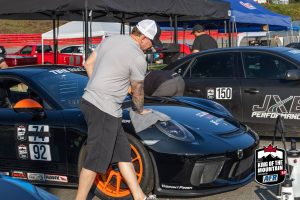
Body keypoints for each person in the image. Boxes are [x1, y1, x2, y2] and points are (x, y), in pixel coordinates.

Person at [76, 19, 161, 200]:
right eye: (151, 42)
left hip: (93, 102)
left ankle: (139, 196)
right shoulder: (137, 57)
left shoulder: (112, 39)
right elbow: (137, 92)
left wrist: (98, 87)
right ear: (144, 38)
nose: (151, 47)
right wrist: (140, 111)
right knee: (95, 159)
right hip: (103, 109)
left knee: (123, 153)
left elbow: (88, 64)